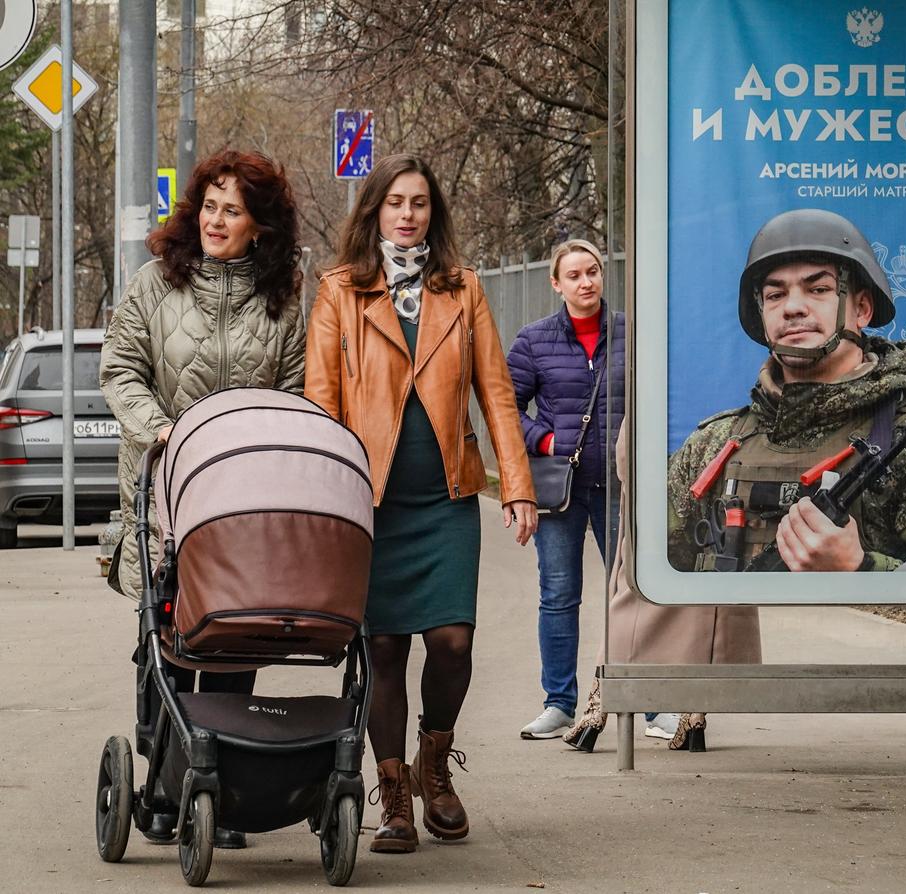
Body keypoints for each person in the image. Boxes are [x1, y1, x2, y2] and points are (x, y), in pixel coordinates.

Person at [304, 153, 537, 855]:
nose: (408, 215)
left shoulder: (461, 290)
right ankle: (395, 791)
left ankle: (436, 760)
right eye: (396, 203)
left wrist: (517, 485)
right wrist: (324, 500)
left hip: (444, 498)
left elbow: (496, 391)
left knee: (452, 641)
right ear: (374, 211)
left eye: (421, 204)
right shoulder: (339, 290)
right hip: (368, 501)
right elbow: (321, 400)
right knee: (382, 646)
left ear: (434, 215)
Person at [100, 148, 307, 848]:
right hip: (165, 488)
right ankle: (163, 786)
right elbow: (120, 367)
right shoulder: (157, 283)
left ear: (260, 226)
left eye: (235, 210)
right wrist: (160, 430)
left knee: (232, 631)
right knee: (166, 633)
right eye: (211, 206)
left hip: (246, 493)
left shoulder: (282, 300)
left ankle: (221, 782)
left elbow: (302, 391)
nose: (218, 220)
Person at [666, 208, 906, 575]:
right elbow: (652, 587)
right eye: (775, 295)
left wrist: (860, 568)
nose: (792, 307)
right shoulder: (710, 449)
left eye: (818, 289)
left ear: (862, 309)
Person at [562, 421, 762, 752]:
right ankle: (694, 714)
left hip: (660, 444)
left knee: (636, 587)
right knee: (709, 587)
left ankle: (598, 709)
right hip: (727, 450)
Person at [506, 239, 625, 740]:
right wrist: (546, 438)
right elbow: (504, 409)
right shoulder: (534, 342)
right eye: (574, 275)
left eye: (593, 272)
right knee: (559, 595)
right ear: (556, 284)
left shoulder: (630, 336)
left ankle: (649, 698)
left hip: (621, 486)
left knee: (635, 592)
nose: (586, 282)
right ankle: (559, 703)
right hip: (562, 490)